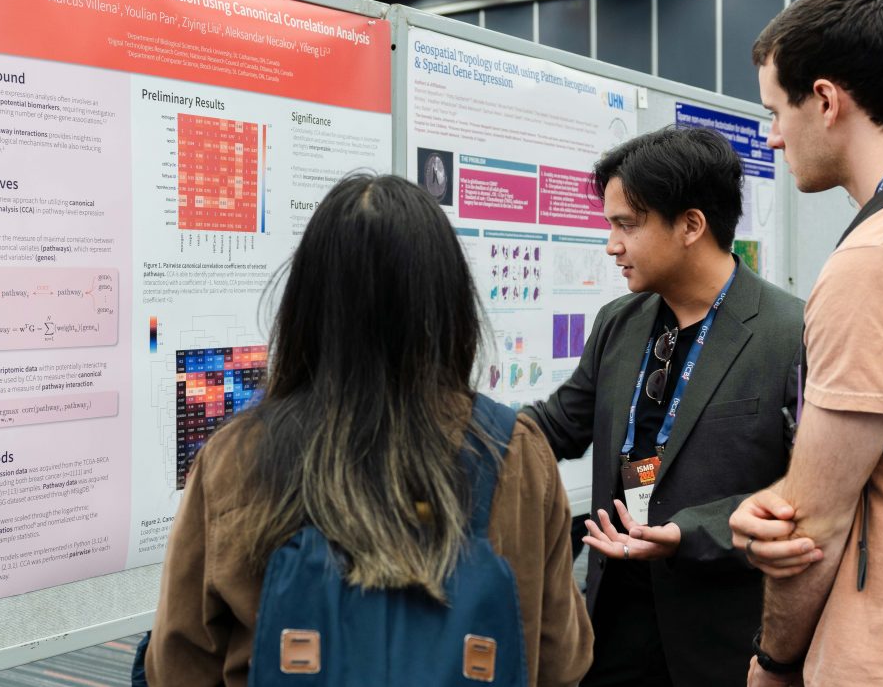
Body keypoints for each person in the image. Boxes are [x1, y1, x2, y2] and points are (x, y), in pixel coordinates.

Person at [145, 173, 593, 686]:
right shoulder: (515, 452)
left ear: (307, 302)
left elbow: (177, 664)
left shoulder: (236, 456)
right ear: (450, 304)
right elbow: (562, 658)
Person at [522, 126, 804, 687]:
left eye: (626, 225)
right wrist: (452, 430)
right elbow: (555, 426)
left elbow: (808, 495)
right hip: (615, 619)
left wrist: (689, 533)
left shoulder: (789, 332)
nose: (612, 245)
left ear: (691, 226)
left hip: (721, 633)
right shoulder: (617, 324)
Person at [728, 0, 883, 687]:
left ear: (827, 101)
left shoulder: (877, 258)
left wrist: (773, 662)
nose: (772, 137)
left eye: (776, 110)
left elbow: (812, 531)